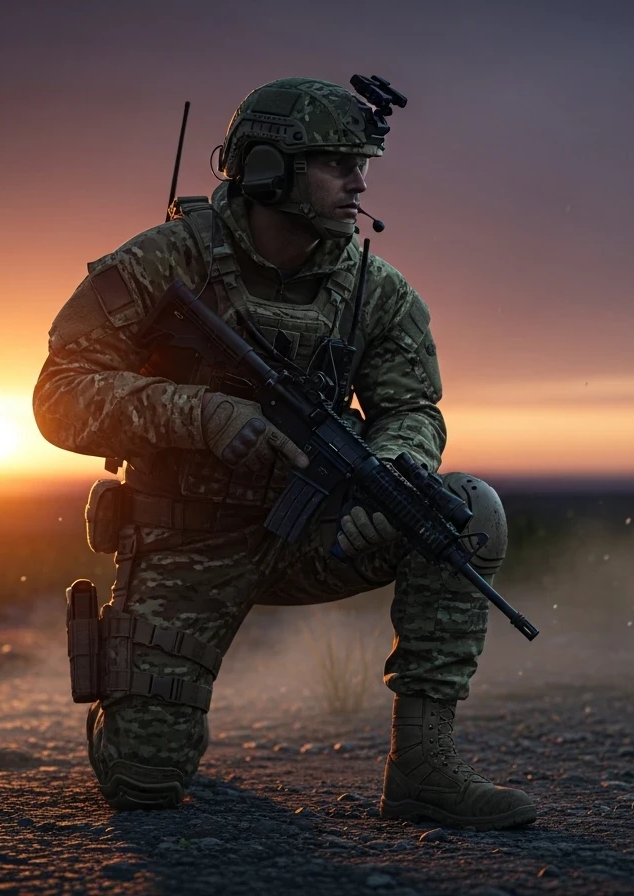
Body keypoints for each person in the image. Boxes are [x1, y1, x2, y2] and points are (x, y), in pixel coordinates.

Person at [32, 77, 535, 829]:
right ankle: (131, 698)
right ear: (269, 169)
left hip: (315, 533)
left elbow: (411, 410)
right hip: (185, 537)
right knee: (144, 782)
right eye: (337, 163)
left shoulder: (376, 291)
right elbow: (59, 395)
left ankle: (425, 772)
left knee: (463, 513)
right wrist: (198, 413)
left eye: (362, 164)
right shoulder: (163, 262)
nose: (358, 182)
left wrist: (388, 478)